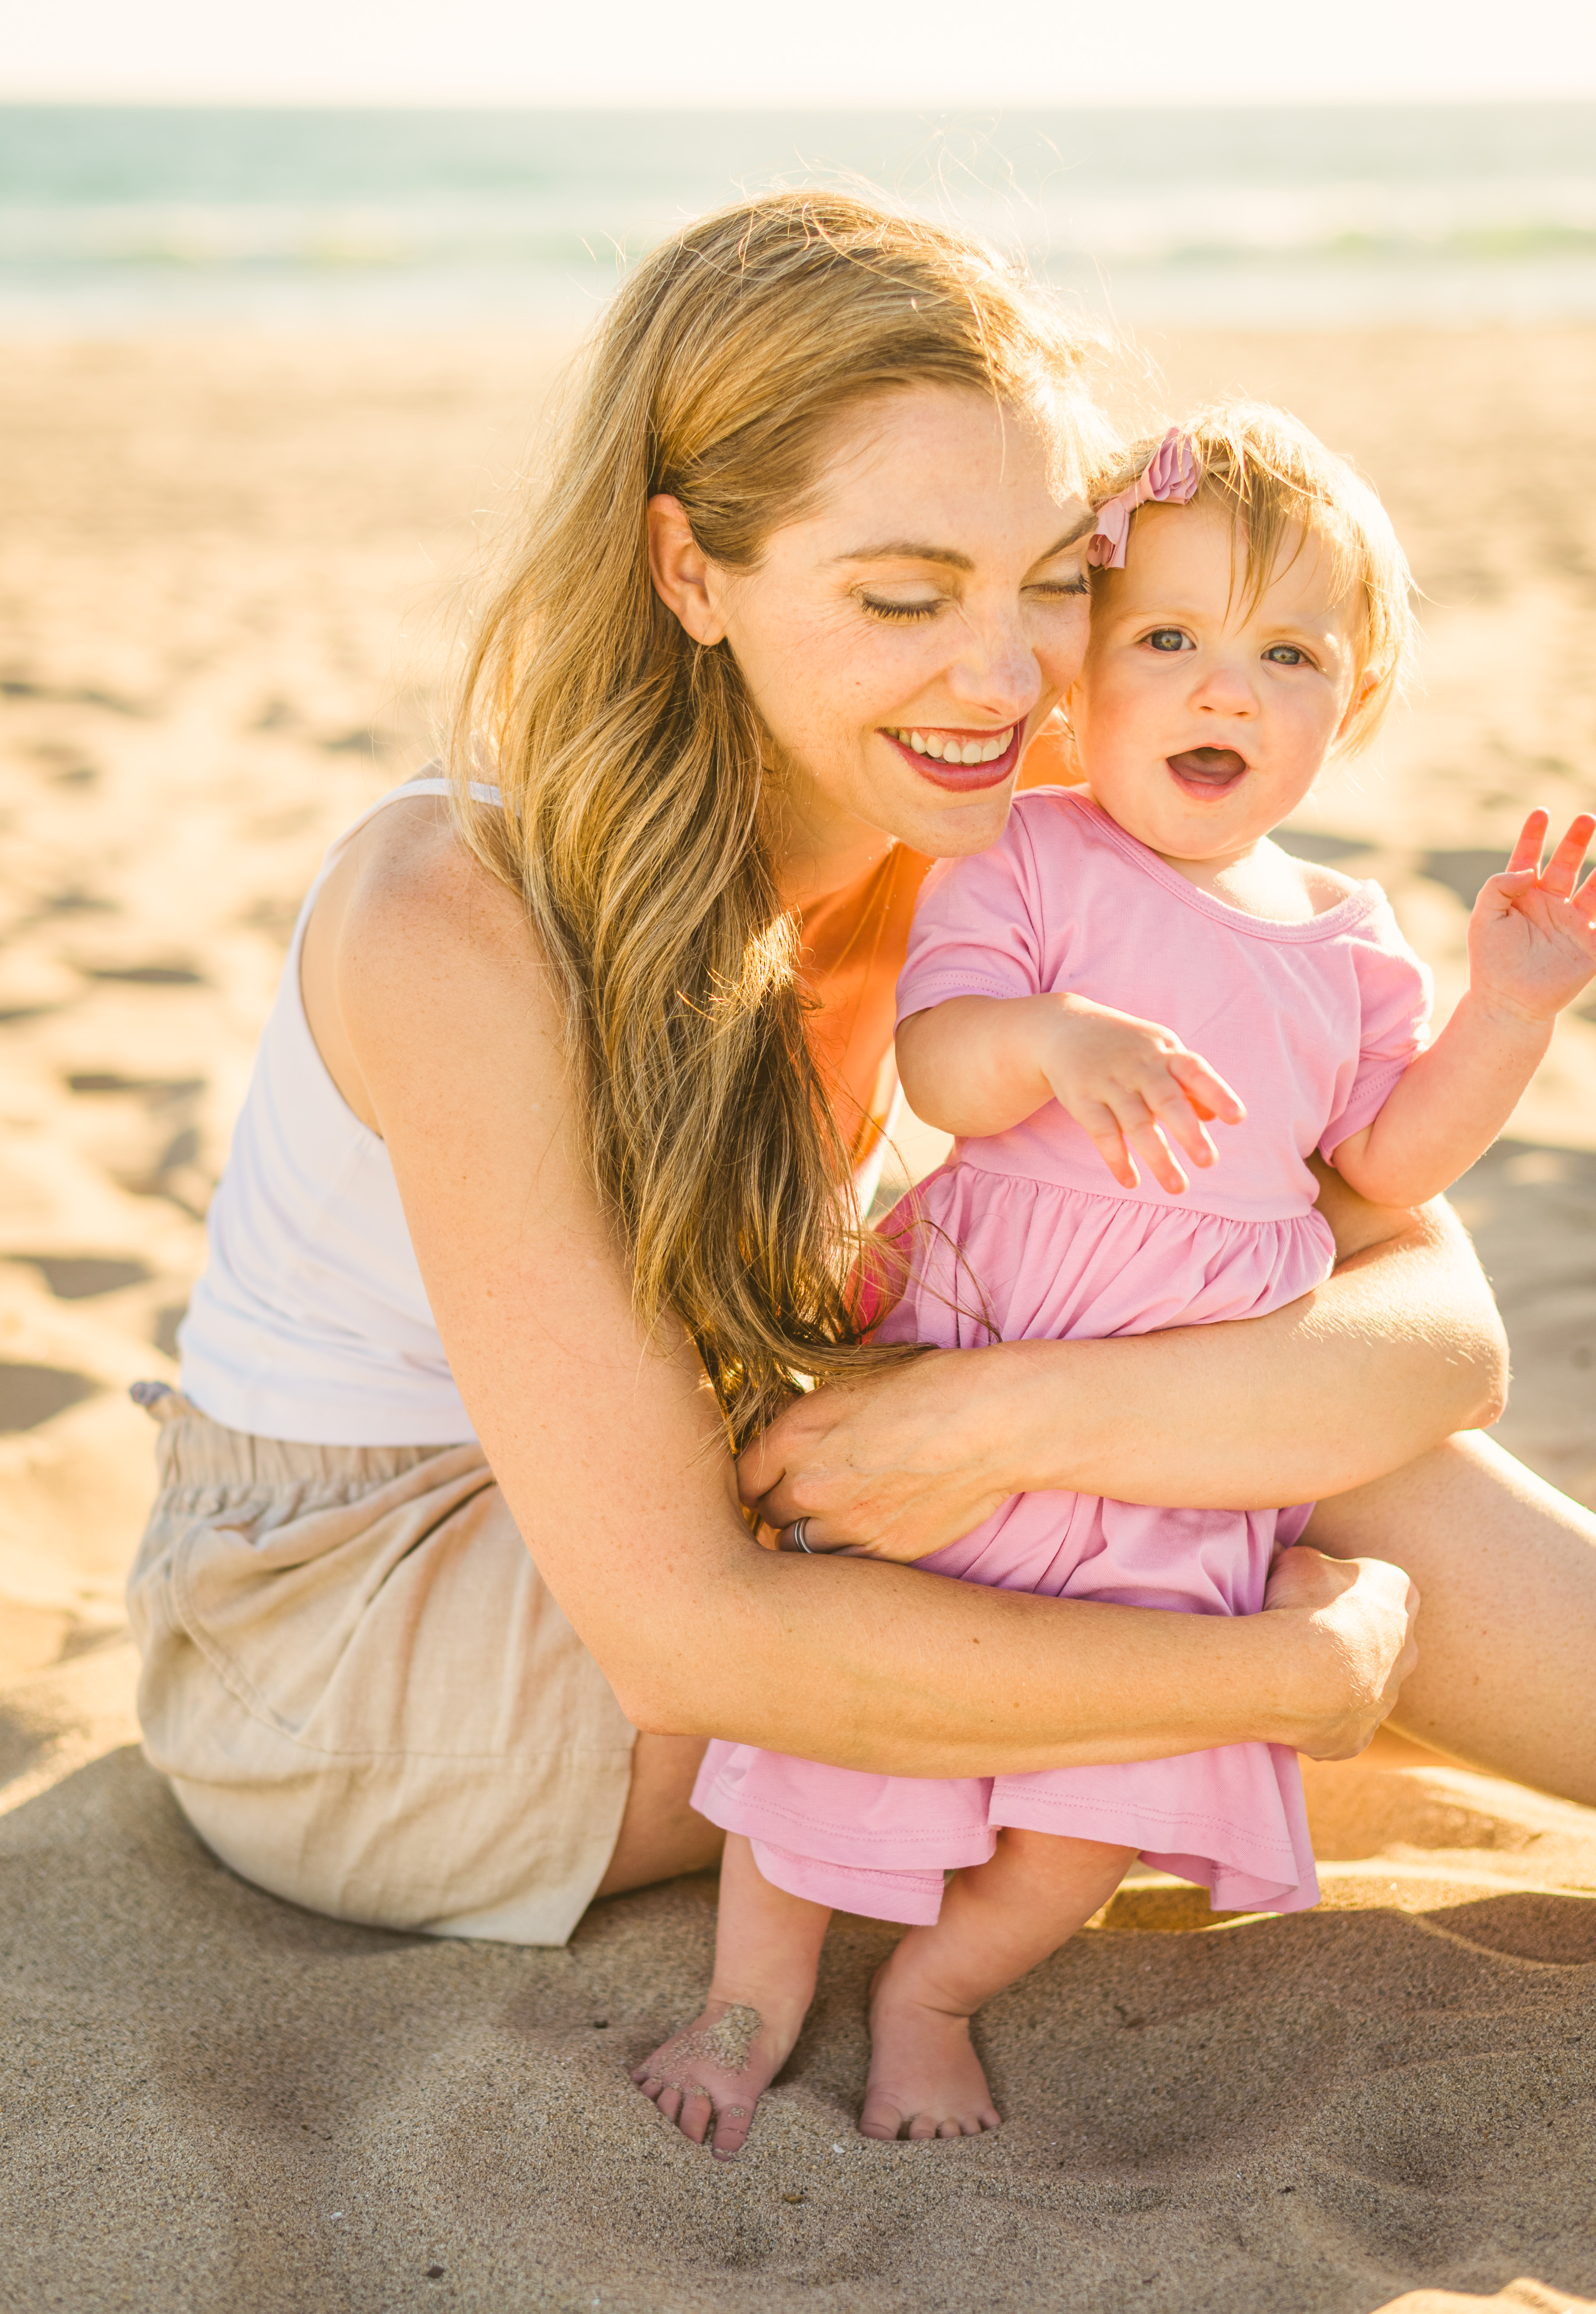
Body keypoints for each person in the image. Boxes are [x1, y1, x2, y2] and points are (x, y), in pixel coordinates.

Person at [124, 193, 1589, 2004]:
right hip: (368, 1643)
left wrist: (1016, 1427)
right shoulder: (458, 915)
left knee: (1258, 1410)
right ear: (689, 573)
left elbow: (1427, 1324)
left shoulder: (991, 810)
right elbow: (687, 1642)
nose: (1000, 679)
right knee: (1280, 1497)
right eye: (903, 596)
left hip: (732, 1491)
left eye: (1053, 579)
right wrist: (1278, 1679)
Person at [661, 407, 1596, 2153]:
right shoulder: (1026, 850)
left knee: (1108, 1773)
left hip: (1184, 1433)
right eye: (1166, 639)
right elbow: (938, 1071)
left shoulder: (1342, 937)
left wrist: (1510, 1016)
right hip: (992, 1335)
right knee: (835, 1734)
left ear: (1353, 708)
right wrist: (1047, 1038)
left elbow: (1385, 1169)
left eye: (1285, 655)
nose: (1221, 689)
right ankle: (749, 2000)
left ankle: (937, 1990)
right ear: (1078, 674)